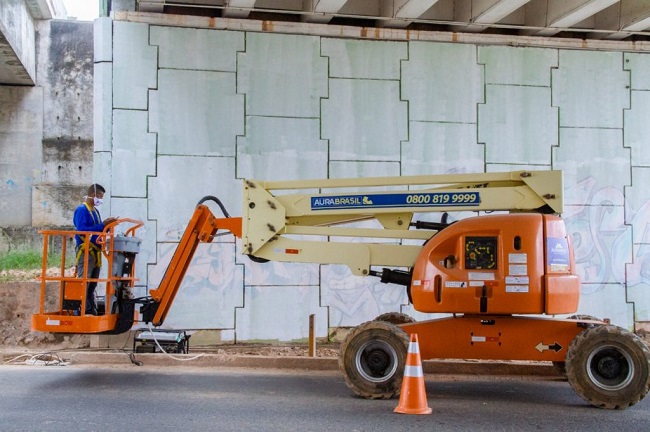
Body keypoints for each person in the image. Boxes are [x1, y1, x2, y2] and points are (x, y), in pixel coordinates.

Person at [73, 183, 118, 315]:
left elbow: (98, 228)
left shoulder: (95, 211)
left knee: (92, 283)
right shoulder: (82, 210)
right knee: (84, 281)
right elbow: (81, 230)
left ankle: (90, 309)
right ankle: (79, 310)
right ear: (93, 195)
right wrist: (102, 225)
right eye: (100, 197)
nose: (100, 200)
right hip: (85, 250)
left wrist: (107, 226)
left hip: (96, 251)